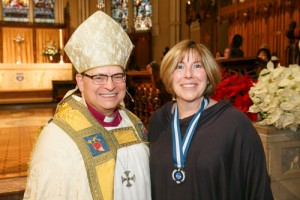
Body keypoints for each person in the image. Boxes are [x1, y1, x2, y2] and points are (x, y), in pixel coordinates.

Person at [24, 11, 151, 200]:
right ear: (81, 82)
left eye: (117, 76)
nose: (110, 86)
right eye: (98, 77)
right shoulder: (58, 136)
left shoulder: (134, 123)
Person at [148, 39, 273, 200]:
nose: (188, 74)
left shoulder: (234, 124)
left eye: (197, 66)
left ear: (208, 75)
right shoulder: (158, 121)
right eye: (179, 66)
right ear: (169, 75)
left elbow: (258, 189)